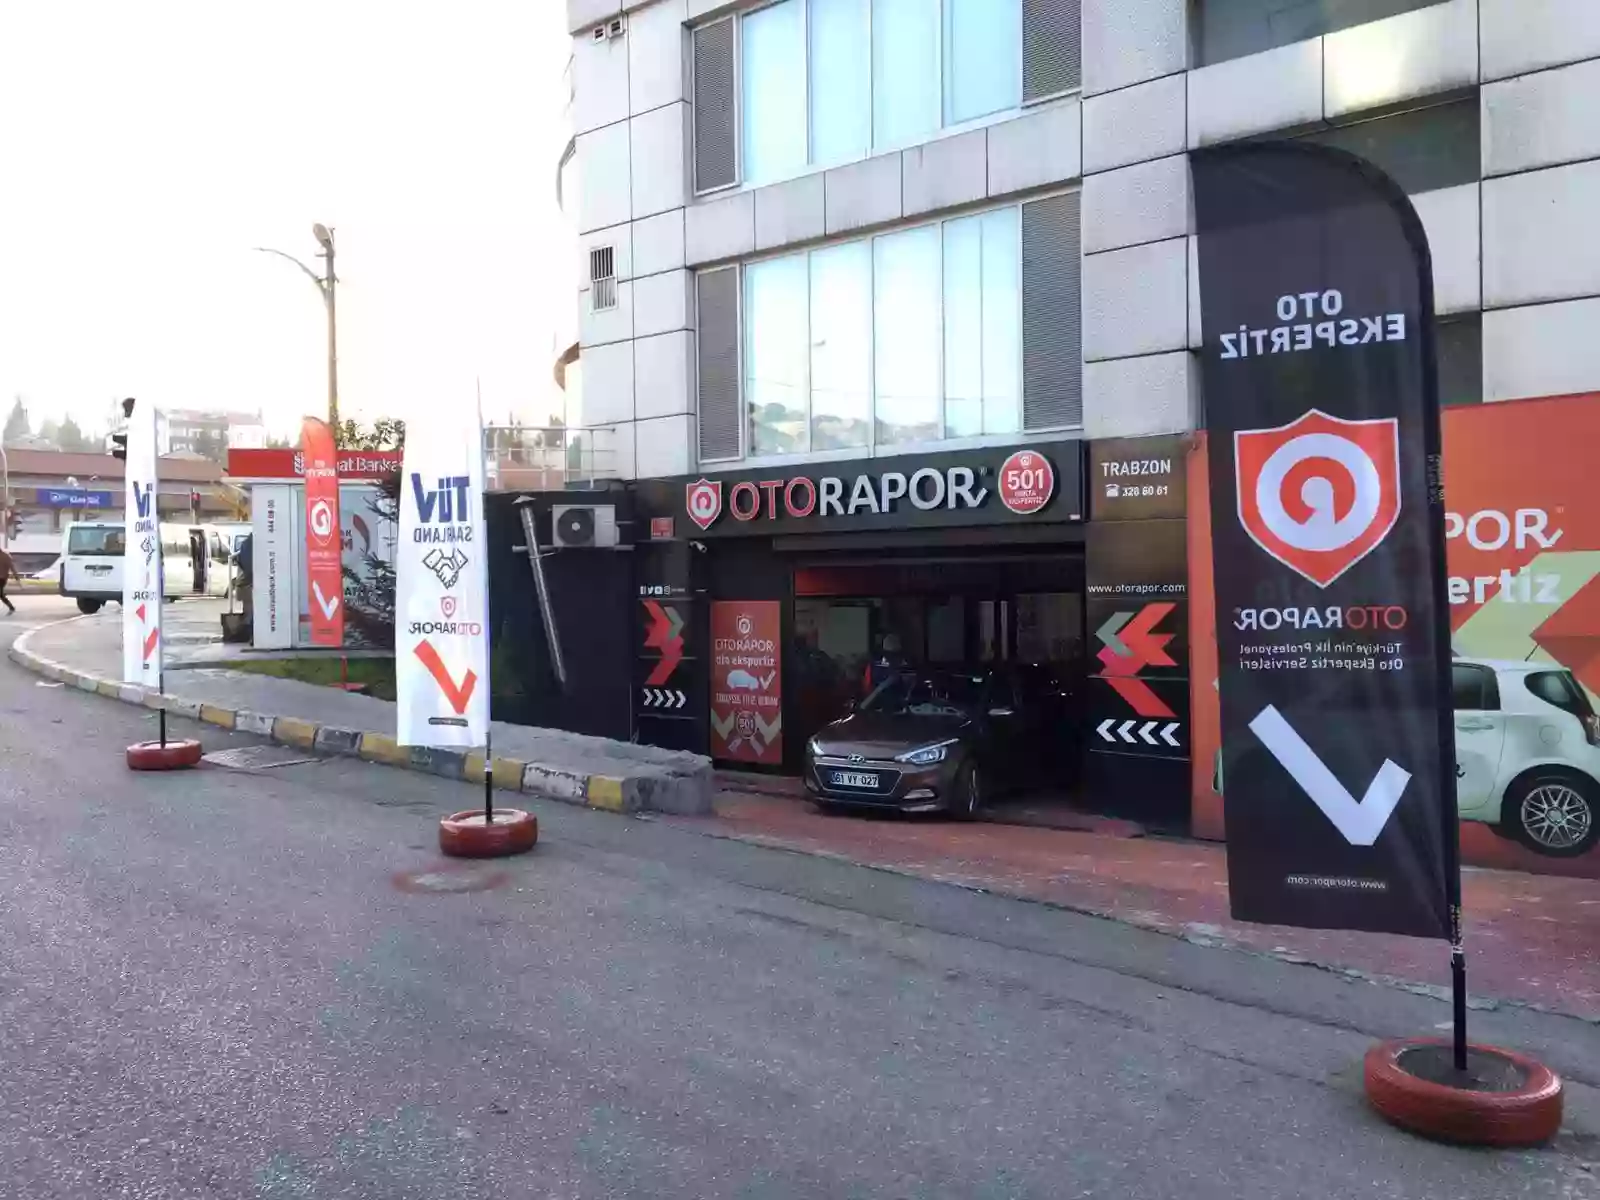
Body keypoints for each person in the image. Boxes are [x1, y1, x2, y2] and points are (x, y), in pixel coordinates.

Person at [860, 632, 907, 696]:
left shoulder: (875, 659)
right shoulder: (900, 660)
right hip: (891, 694)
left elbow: (867, 679)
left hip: (877, 694)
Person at [0, 544, 18, 614]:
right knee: (1, 594)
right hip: (2, 577)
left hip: (2, 578)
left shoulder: (5, 556)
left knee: (0, 594)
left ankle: (11, 607)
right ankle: (11, 607)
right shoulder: (5, 556)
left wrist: (16, 576)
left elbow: (11, 567)